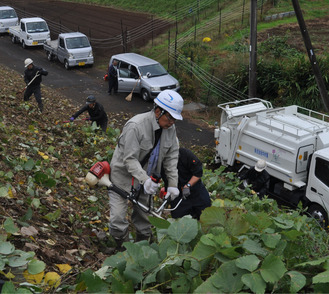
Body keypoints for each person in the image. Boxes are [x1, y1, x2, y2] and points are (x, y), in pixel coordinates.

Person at [109, 89, 183, 250]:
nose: (172, 123)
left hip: (147, 181)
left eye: (175, 120)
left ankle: (142, 250)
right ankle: (121, 248)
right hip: (122, 177)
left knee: (144, 220)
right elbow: (129, 159)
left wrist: (172, 184)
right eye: (170, 117)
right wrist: (145, 179)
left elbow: (171, 158)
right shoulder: (136, 126)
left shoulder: (170, 129)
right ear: (158, 111)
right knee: (117, 218)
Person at [169, 148, 211, 220]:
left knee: (206, 215)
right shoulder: (163, 159)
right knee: (179, 221)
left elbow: (198, 172)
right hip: (178, 194)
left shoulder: (185, 154)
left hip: (195, 191)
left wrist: (188, 186)